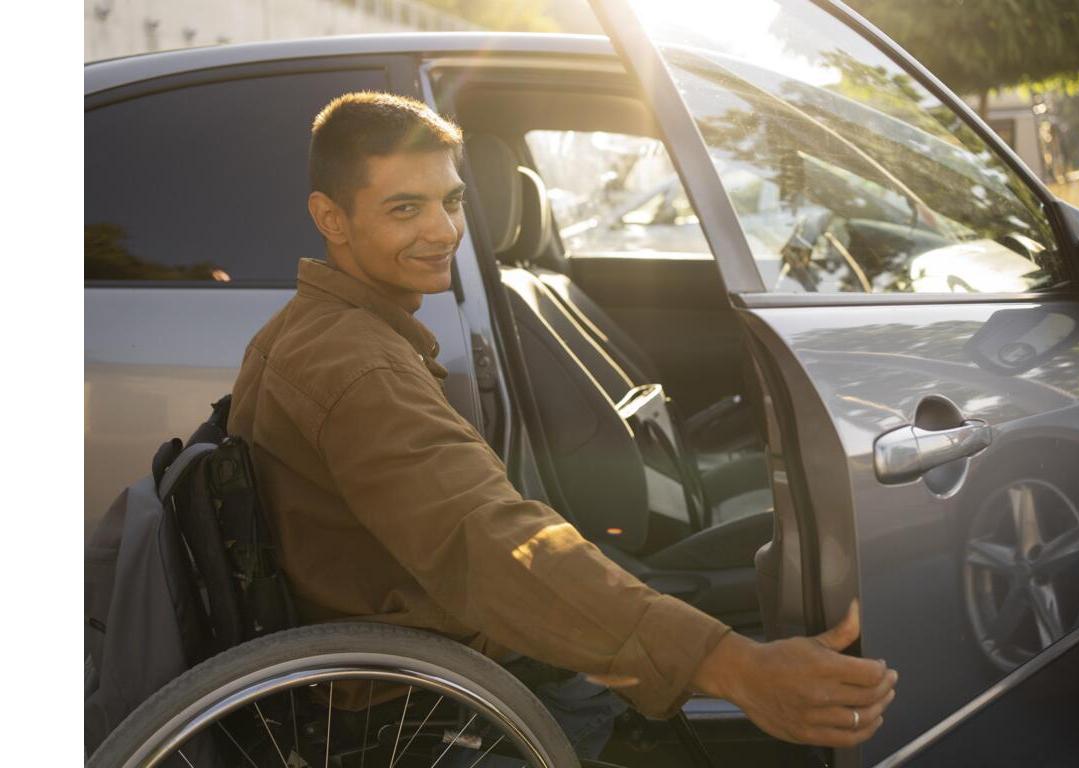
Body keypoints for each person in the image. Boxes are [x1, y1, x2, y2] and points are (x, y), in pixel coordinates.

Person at [227, 91, 897, 759]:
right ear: (331, 218)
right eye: (405, 209)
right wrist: (733, 666)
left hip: (422, 656)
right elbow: (488, 542)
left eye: (452, 201)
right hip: (421, 694)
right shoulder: (357, 367)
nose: (445, 232)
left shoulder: (318, 333)